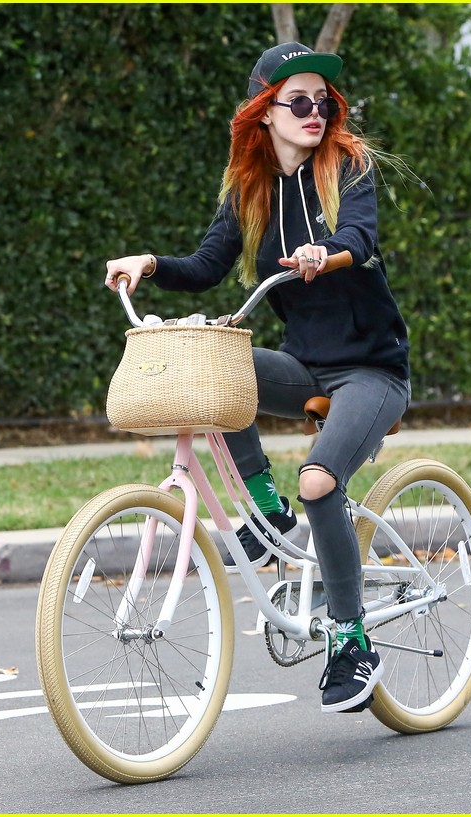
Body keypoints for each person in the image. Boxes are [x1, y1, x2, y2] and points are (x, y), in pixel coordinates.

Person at [105, 42, 410, 715]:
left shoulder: (346, 168)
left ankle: (351, 640)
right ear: (264, 114)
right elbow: (209, 264)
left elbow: (360, 236)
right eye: (296, 101)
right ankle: (267, 508)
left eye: (322, 102)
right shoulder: (250, 188)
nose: (313, 112)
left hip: (372, 368)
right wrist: (149, 262)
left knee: (321, 480)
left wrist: (322, 253)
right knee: (219, 363)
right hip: (307, 361)